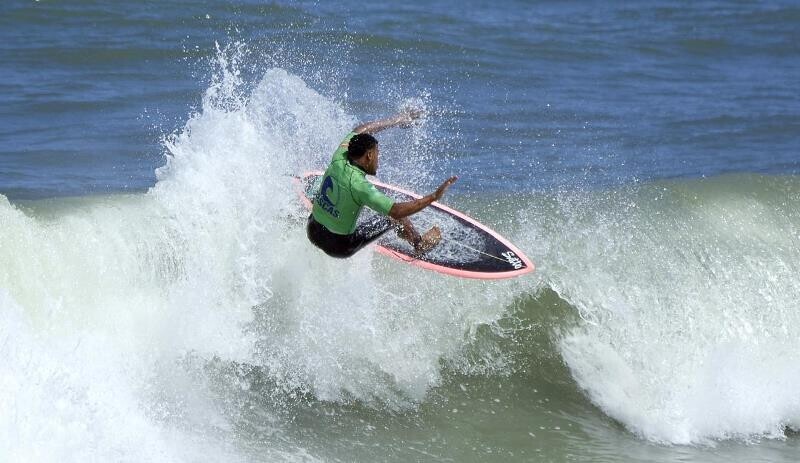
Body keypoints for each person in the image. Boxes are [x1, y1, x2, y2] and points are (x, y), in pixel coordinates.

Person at [307, 109, 458, 258]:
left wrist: (399, 119)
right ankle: (419, 245)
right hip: (339, 246)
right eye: (377, 153)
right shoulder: (360, 186)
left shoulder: (339, 156)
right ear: (369, 155)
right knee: (395, 217)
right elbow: (397, 211)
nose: (379, 159)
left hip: (313, 230)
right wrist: (433, 196)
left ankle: (323, 205)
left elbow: (359, 130)